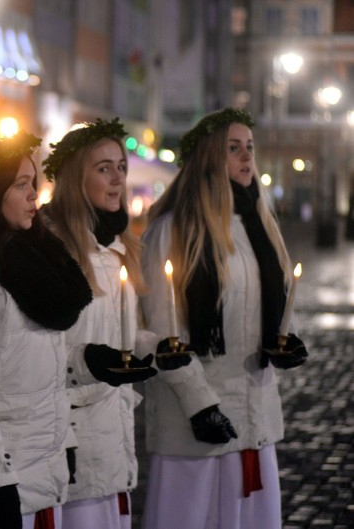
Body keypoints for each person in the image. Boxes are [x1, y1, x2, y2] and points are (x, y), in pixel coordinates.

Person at [137, 108, 308, 529]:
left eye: (249, 147)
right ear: (209, 157)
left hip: (254, 416)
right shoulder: (173, 231)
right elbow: (164, 333)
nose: (246, 157)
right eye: (233, 149)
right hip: (194, 427)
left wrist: (286, 342)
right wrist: (201, 407)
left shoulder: (260, 227)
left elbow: (272, 308)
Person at [0, 132, 95, 529]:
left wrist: (66, 442)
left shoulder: (39, 259)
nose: (34, 196)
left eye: (35, 184)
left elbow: (46, 369)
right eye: (21, 185)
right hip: (5, 478)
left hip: (45, 470)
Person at [41, 118, 159, 529]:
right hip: (74, 437)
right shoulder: (53, 248)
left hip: (114, 435)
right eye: (103, 168)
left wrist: (154, 347)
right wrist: (92, 361)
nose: (117, 179)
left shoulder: (117, 245)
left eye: (121, 167)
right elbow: (40, 353)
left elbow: (119, 335)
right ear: (75, 177)